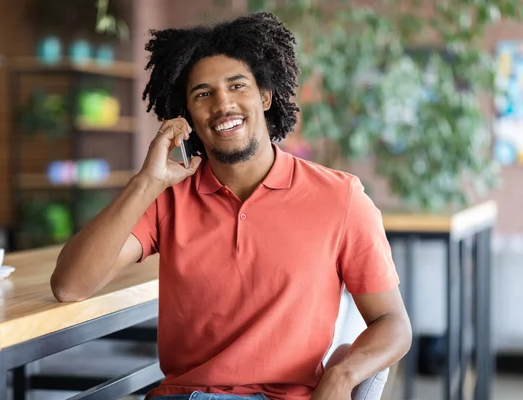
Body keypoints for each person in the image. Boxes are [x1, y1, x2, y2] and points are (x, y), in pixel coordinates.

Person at [51, 11, 412, 400]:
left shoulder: (340, 197)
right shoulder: (167, 197)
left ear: (265, 96)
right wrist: (146, 182)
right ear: (187, 116)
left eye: (237, 86)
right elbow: (70, 286)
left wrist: (342, 374)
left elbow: (393, 322)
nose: (223, 105)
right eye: (203, 94)